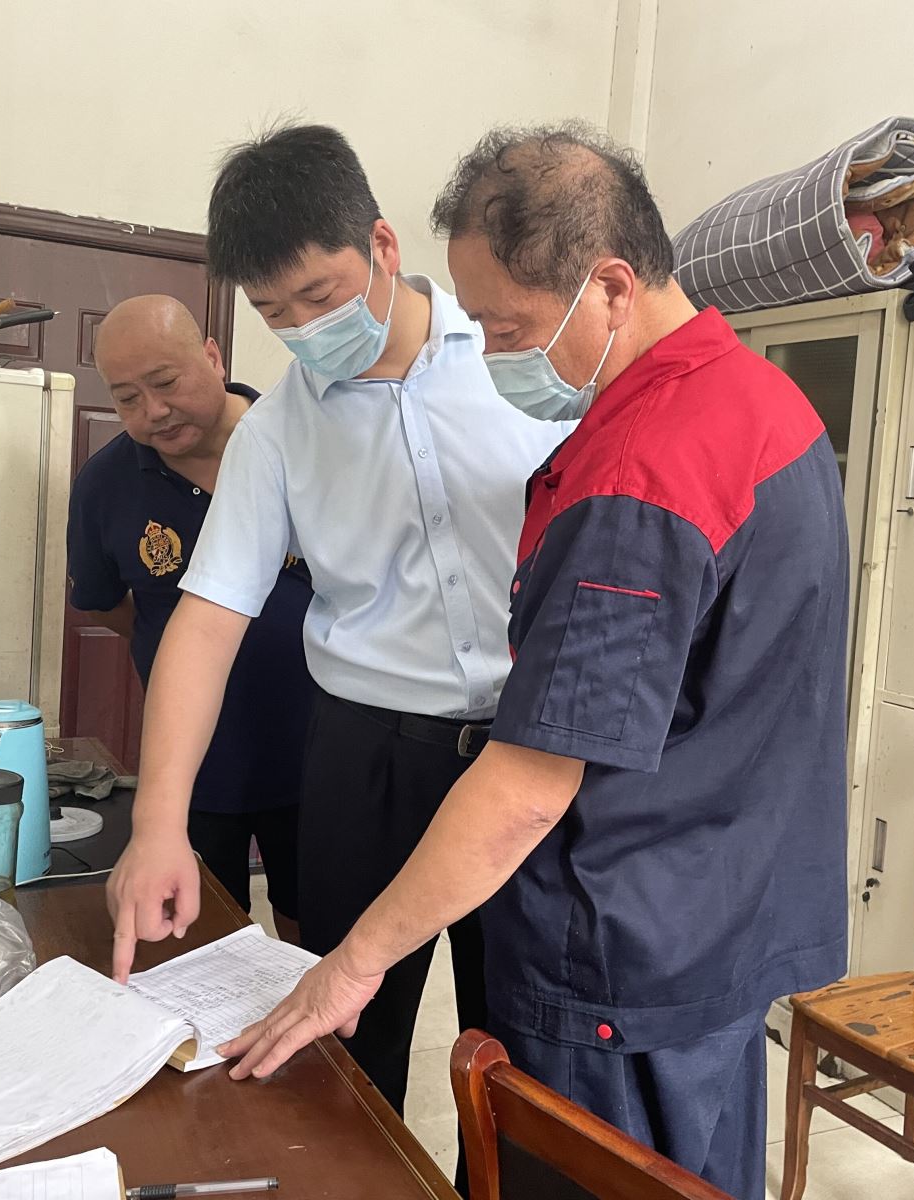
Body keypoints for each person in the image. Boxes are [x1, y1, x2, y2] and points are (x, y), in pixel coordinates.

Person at [219, 124, 850, 1200]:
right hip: (719, 918)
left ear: (610, 286)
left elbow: (526, 786)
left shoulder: (640, 477)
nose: (493, 353)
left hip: (620, 955)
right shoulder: (760, 400)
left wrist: (352, 964)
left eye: (507, 328)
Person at [104, 124, 568, 1116]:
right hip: (369, 759)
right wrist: (157, 825)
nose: (306, 330)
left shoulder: (519, 360)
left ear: (383, 246)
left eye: (321, 296)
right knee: (346, 1048)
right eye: (276, 313)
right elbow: (205, 623)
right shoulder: (277, 432)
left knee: (527, 1051)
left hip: (533, 751)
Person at [69, 295, 313, 940]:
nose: (153, 411)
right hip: (197, 767)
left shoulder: (302, 441)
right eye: (127, 398)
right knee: (203, 933)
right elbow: (104, 602)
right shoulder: (105, 485)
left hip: (319, 749)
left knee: (313, 927)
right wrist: (169, 644)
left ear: (212, 356)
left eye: (166, 383)